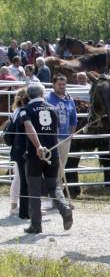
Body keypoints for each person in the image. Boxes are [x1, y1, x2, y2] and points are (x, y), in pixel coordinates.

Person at [19, 83, 73, 234]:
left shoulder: (26, 110)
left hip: (35, 155)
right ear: (42, 94)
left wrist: (37, 146)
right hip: (52, 153)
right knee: (53, 186)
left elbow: (29, 127)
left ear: (28, 95)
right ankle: (64, 208)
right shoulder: (52, 108)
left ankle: (36, 225)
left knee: (34, 190)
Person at [46, 75, 78, 204]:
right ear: (54, 85)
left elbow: (74, 120)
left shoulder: (70, 100)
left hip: (65, 139)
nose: (62, 87)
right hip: (51, 138)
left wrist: (71, 135)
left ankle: (56, 198)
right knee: (52, 166)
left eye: (64, 84)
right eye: (60, 84)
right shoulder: (48, 98)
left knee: (61, 167)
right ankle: (54, 196)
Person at [6, 88, 30, 219]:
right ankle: (16, 206)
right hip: (21, 148)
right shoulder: (22, 112)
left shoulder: (15, 111)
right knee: (20, 178)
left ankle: (15, 205)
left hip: (16, 148)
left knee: (19, 177)